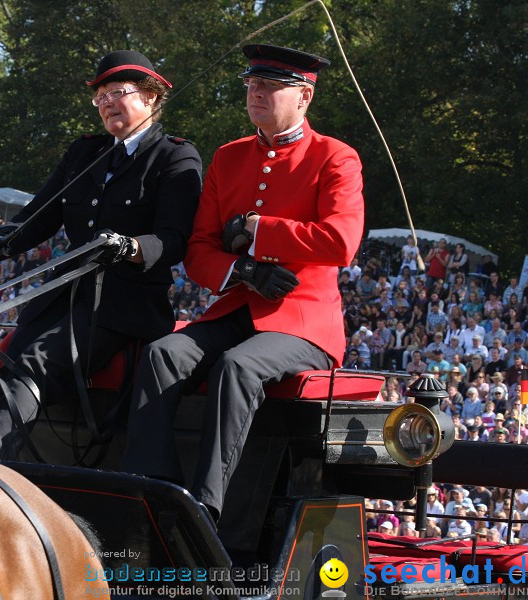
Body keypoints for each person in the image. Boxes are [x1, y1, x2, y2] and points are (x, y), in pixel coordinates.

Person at [120, 45, 364, 524]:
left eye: (270, 85)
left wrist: (257, 229)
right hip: (238, 306)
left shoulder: (336, 157)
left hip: (303, 321)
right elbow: (198, 250)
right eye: (252, 83)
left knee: (237, 366)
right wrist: (244, 271)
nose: (256, 91)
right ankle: (154, 492)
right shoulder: (229, 157)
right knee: (162, 354)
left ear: (305, 96)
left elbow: (341, 242)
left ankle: (206, 510)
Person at [0, 50, 202, 459]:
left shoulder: (175, 156)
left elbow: (174, 238)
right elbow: (41, 214)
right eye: (99, 98)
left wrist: (131, 247)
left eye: (116, 93)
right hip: (66, 294)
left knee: (36, 360)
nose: (106, 105)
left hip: (126, 303)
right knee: (9, 356)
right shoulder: (85, 152)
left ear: (151, 97)